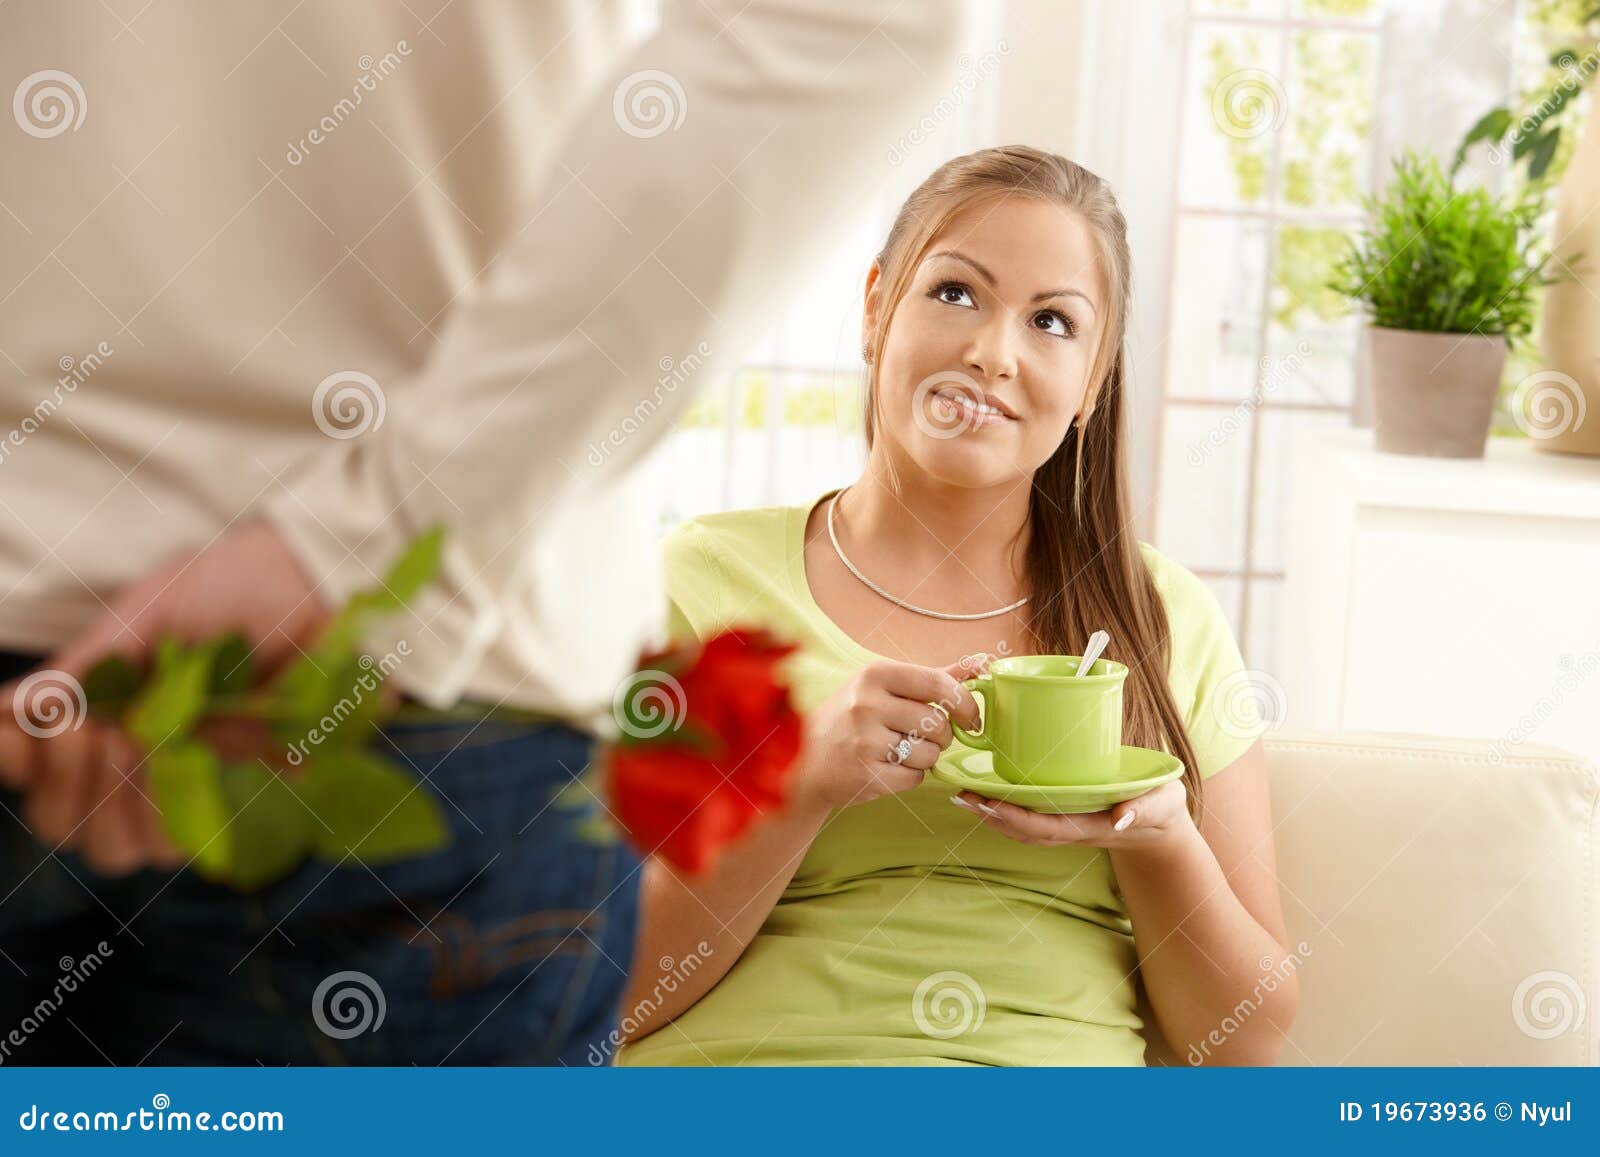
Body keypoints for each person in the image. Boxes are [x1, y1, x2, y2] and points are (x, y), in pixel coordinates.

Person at [0, 0, 969, 1064]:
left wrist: (387, 540)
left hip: (405, 719)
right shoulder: (730, 566)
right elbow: (853, 26)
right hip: (423, 690)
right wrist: (387, 537)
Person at [614, 146, 1297, 1066]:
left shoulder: (1164, 618)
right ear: (874, 309)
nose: (992, 353)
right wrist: (797, 786)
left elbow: (1246, 1045)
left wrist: (1163, 841)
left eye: (1052, 321)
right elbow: (587, 1002)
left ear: (1093, 383)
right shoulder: (701, 579)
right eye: (955, 294)